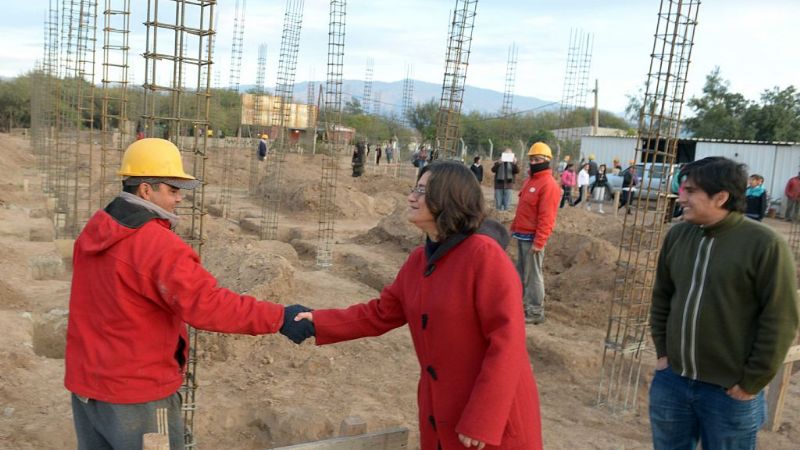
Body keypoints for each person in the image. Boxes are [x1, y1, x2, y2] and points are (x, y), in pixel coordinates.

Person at [64, 138, 314, 450]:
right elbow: (207, 305)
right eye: (173, 190)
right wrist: (279, 317)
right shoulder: (156, 244)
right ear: (146, 190)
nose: (180, 198)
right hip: (137, 394)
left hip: (87, 386)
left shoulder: (97, 228)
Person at [292, 161, 543, 450]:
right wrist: (317, 321)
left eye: (422, 191)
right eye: (415, 189)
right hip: (443, 413)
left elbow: (508, 342)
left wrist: (484, 418)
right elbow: (380, 313)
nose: (411, 197)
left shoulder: (485, 257)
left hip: (490, 423)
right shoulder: (418, 261)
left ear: (448, 198)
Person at [649, 157, 799, 450]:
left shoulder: (765, 245)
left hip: (729, 392)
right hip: (673, 382)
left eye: (691, 191)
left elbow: (780, 320)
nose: (681, 197)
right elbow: (662, 296)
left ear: (720, 197)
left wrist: (750, 383)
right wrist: (663, 354)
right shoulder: (678, 235)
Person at [510, 142, 561, 324]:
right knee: (521, 273)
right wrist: (514, 228)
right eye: (531, 159)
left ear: (547, 160)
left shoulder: (549, 185)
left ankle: (535, 311)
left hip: (533, 239)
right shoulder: (530, 181)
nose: (533, 162)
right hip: (522, 235)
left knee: (533, 276)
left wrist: (539, 242)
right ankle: (521, 306)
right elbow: (523, 209)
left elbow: (547, 218)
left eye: (538, 160)